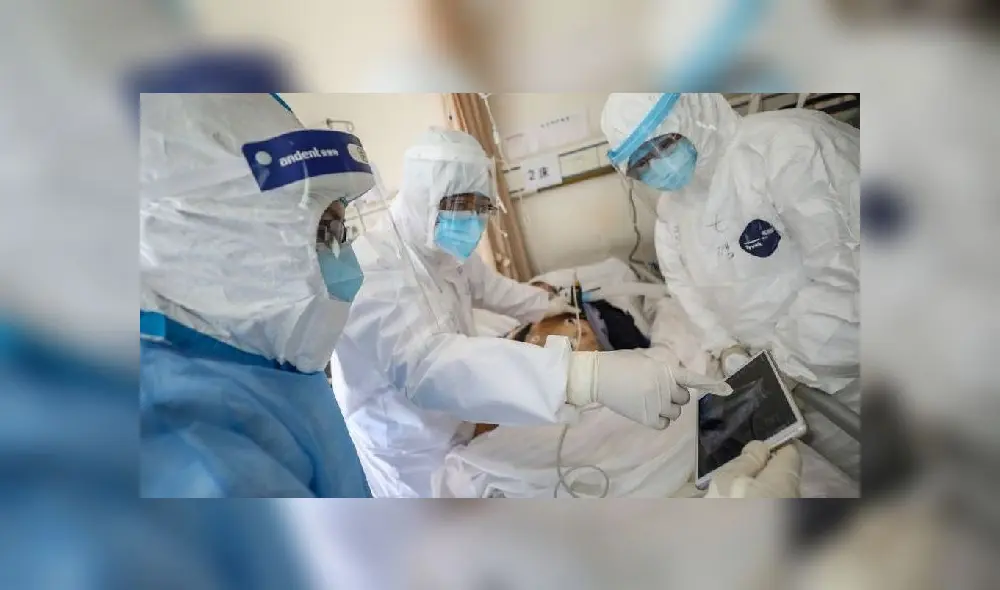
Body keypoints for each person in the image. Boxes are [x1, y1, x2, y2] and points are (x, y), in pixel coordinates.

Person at [329, 128, 731, 497]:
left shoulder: (442, 248)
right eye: (462, 204)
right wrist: (584, 376)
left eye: (481, 206)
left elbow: (493, 290)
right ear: (423, 195)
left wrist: (551, 304)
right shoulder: (373, 271)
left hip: (466, 427)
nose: (472, 219)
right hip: (408, 450)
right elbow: (430, 367)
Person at [600, 93, 860, 478]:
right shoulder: (672, 214)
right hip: (787, 391)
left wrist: (786, 364)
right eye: (641, 162)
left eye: (664, 143)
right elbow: (686, 292)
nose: (657, 164)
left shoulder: (786, 148)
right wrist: (728, 350)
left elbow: (851, 276)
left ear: (693, 111)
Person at [140, 93, 374, 497]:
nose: (345, 263)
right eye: (325, 232)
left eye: (340, 231)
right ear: (205, 236)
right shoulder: (185, 442)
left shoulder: (262, 362)